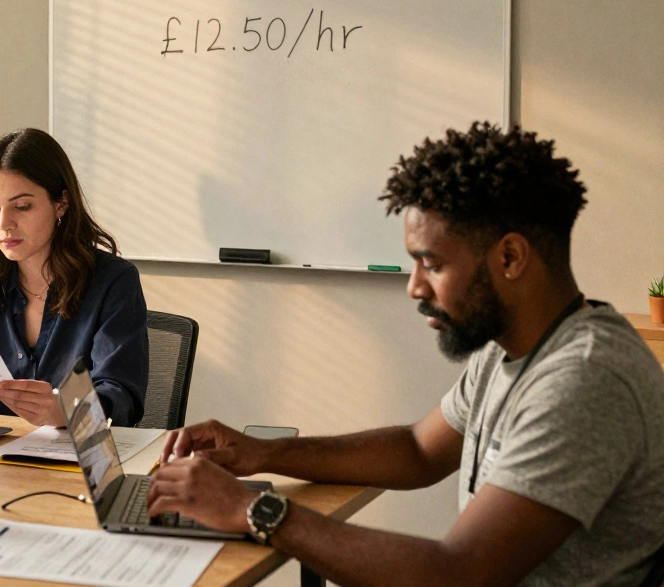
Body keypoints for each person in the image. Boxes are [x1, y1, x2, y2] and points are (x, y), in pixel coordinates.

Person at [146, 123, 664, 586]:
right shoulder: (513, 347)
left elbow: (458, 575)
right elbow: (418, 451)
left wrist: (253, 510)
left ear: (509, 257)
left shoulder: (585, 381)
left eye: (431, 264)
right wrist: (263, 453)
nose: (415, 287)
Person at [0, 128, 148, 427]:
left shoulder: (113, 281)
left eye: (22, 207)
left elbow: (121, 394)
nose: (4, 224)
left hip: (76, 450)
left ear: (61, 203)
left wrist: (67, 410)